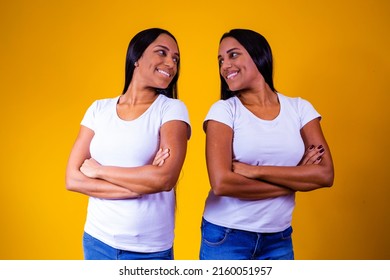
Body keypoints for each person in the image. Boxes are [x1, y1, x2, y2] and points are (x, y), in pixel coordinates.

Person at [200, 29, 334, 260]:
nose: (225, 66)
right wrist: (297, 178)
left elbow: (325, 175)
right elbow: (222, 184)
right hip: (227, 236)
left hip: (278, 238)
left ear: (258, 55)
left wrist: (255, 171)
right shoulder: (224, 111)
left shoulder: (300, 109)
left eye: (233, 55)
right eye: (221, 60)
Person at [65, 28, 191, 260]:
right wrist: (140, 185)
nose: (171, 63)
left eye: (175, 58)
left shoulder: (171, 109)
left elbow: (164, 179)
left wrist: (98, 171)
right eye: (161, 53)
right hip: (97, 241)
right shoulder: (98, 110)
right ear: (137, 58)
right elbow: (72, 179)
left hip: (149, 250)